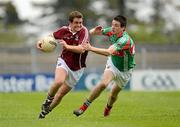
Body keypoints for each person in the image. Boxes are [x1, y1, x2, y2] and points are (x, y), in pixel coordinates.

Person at [73, 15, 136, 117]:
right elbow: (92, 32)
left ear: (123, 28)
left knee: (113, 95)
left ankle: (108, 107)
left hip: (125, 70)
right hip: (113, 64)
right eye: (112, 24)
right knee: (103, 84)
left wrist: (90, 48)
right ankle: (83, 107)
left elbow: (108, 52)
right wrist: (94, 30)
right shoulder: (111, 31)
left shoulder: (125, 40)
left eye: (116, 25)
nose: (113, 27)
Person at [37, 11, 89, 119]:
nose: (79, 25)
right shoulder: (64, 30)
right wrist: (41, 41)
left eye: (80, 22)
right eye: (76, 23)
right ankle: (48, 100)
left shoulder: (84, 31)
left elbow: (81, 49)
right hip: (64, 61)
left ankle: (45, 112)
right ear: (70, 22)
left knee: (60, 95)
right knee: (59, 81)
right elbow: (50, 36)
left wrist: (67, 46)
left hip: (77, 69)